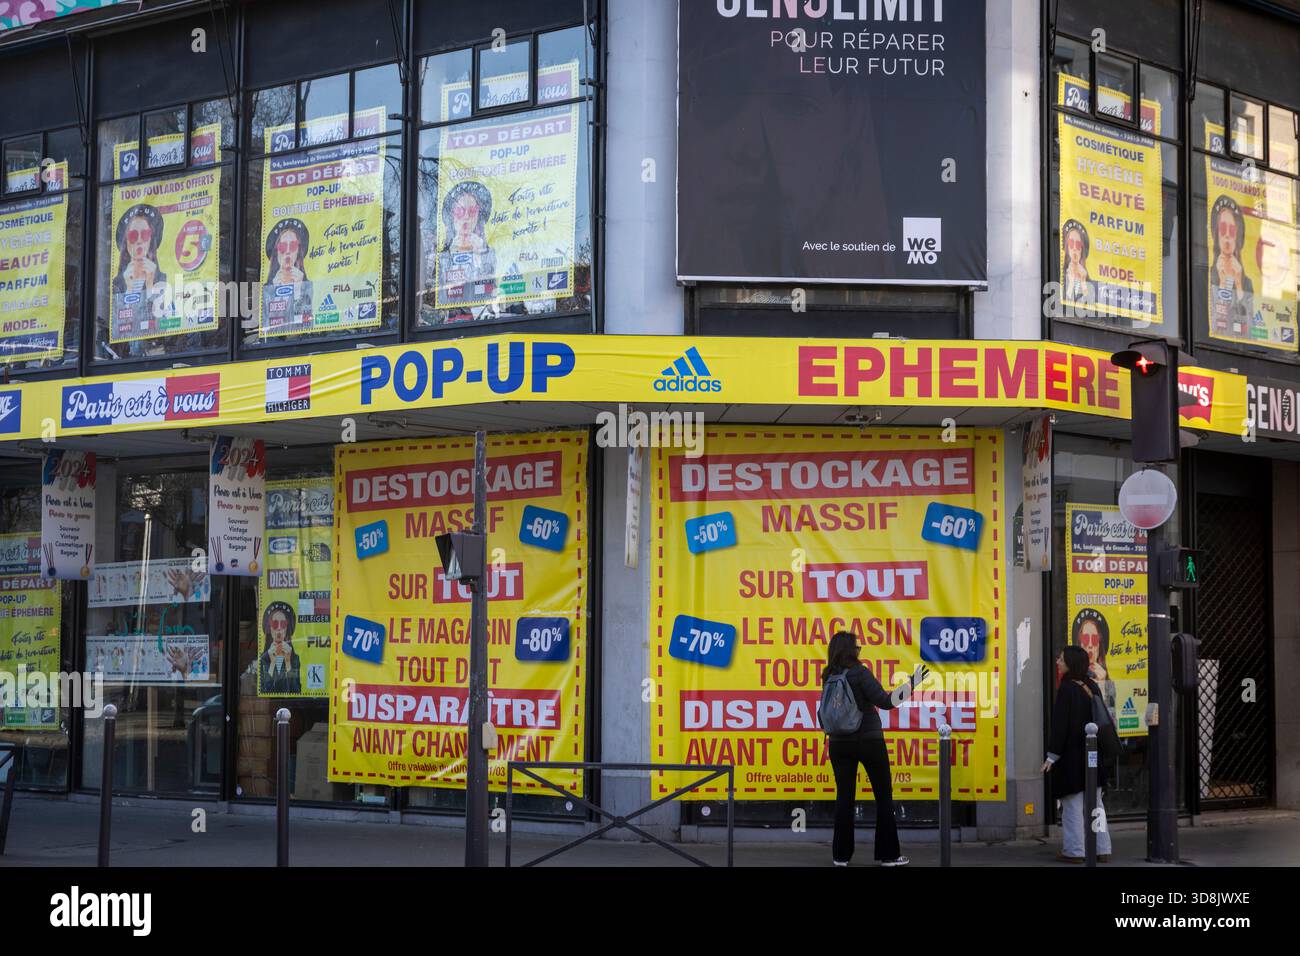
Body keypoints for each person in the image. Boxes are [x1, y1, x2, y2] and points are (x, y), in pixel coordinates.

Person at [821, 630, 921, 867]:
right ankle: (889, 855)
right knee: (883, 797)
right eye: (856, 647)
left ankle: (840, 856)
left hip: (838, 743)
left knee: (844, 799)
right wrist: (912, 683)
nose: (858, 650)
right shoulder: (860, 673)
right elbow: (886, 702)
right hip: (868, 741)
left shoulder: (828, 675)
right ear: (851, 650)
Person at [1042, 645, 1113, 863]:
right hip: (1094, 756)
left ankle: (1075, 851)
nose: (1058, 662)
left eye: (1061, 659)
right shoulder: (1092, 685)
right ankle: (1102, 848)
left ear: (1070, 663)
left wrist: (1051, 756)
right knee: (1096, 804)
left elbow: (1060, 726)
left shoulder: (1066, 688)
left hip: (1072, 758)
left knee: (1072, 806)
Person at [1208, 195, 1255, 337]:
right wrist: (1222, 284)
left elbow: (1251, 332)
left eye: (1232, 230)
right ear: (1216, 234)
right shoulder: (1206, 275)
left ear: (1238, 235)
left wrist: (1239, 285)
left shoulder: (1247, 283)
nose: (1227, 235)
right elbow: (1215, 326)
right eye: (1222, 228)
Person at [261, 218, 313, 331]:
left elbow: (307, 328)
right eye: (283, 246)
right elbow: (268, 332)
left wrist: (299, 291)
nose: (288, 251)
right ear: (276, 251)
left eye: (293, 245)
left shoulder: (307, 286)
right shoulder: (267, 290)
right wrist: (275, 296)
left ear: (298, 252)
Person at [259, 601, 302, 694]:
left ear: (287, 628)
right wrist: (272, 663)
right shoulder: (262, 659)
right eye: (274, 623)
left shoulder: (295, 659)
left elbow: (296, 692)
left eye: (283, 624)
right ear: (269, 627)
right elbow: (264, 691)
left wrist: (288, 662)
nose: (279, 628)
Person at [1061, 219, 1094, 307]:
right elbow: (1062, 307)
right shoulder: (1060, 275)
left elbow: (1091, 308)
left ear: (1082, 250)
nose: (1074, 248)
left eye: (1078, 244)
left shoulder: (1088, 281)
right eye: (1071, 243)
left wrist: (1083, 282)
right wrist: (1071, 283)